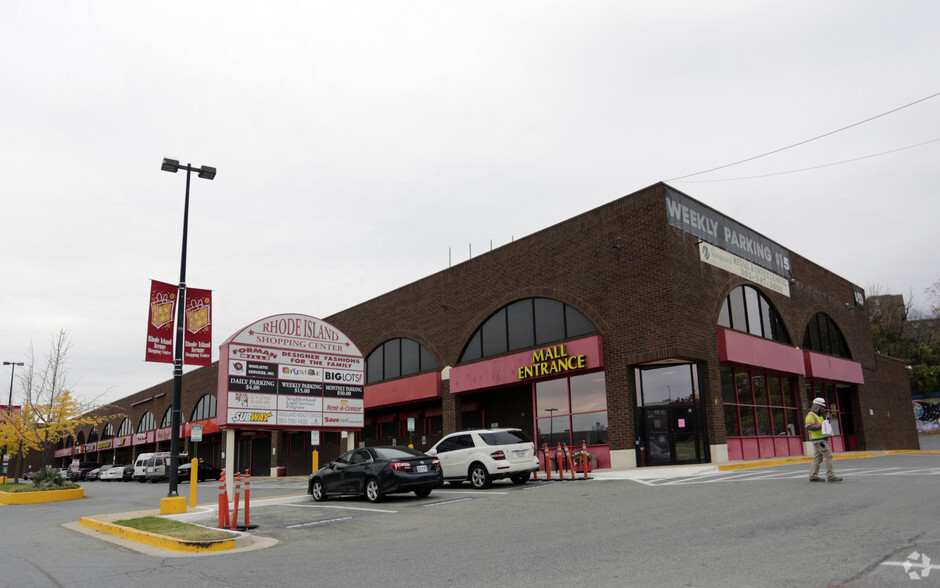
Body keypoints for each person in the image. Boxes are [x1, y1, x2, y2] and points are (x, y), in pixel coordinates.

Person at [805, 397, 842, 482]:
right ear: (817, 406)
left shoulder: (820, 416)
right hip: (818, 440)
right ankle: (831, 476)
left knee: (818, 458)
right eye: (822, 406)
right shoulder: (810, 416)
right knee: (829, 455)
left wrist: (827, 419)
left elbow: (825, 425)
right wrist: (821, 426)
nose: (823, 408)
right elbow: (809, 427)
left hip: (822, 439)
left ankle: (813, 476)